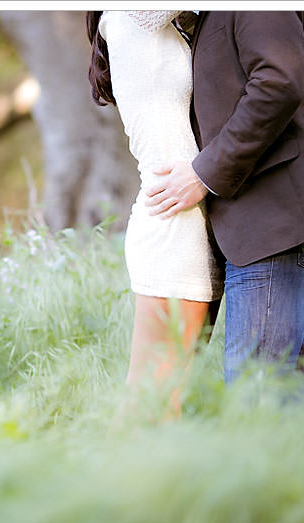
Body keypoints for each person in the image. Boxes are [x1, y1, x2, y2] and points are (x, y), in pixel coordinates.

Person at [143, 11, 304, 387]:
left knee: (256, 395)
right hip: (267, 220)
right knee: (297, 392)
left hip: (275, 214)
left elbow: (279, 81)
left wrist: (203, 173)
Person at [86, 10, 223, 417]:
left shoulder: (157, 22)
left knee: (169, 402)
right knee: (153, 401)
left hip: (187, 219)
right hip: (172, 228)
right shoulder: (133, 12)